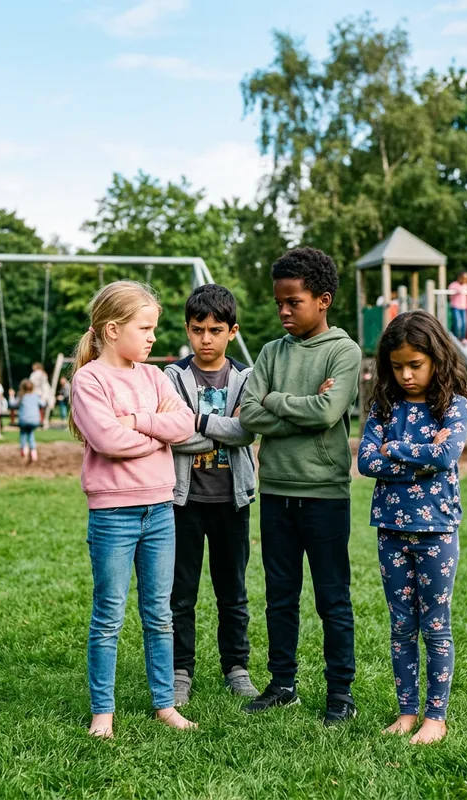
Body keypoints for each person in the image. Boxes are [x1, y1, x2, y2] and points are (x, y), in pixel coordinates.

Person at [239, 247, 362, 726]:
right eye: (279, 303)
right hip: (274, 493)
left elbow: (328, 414)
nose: (284, 311)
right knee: (280, 594)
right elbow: (249, 415)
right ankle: (282, 683)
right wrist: (299, 407)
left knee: (333, 597)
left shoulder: (343, 351)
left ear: (323, 300)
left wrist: (275, 402)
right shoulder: (271, 352)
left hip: (325, 495)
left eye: (294, 302)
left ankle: (341, 694)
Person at [70, 280, 197, 738]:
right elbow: (107, 440)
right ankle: (102, 710)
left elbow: (183, 424)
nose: (152, 337)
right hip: (113, 517)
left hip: (160, 512)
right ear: (111, 329)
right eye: (144, 327)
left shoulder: (154, 377)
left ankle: (164, 704)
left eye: (154, 328)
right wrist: (154, 435)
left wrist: (138, 422)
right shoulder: (89, 380)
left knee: (159, 614)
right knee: (109, 615)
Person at [357, 310, 467, 745]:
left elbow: (447, 457)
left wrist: (395, 450)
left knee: (435, 626)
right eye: (397, 365)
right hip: (390, 530)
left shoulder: (454, 404)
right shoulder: (384, 406)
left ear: (436, 359)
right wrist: (420, 455)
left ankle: (435, 717)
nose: (405, 374)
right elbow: (367, 462)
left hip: (438, 531)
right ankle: (407, 712)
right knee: (401, 625)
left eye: (415, 365)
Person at [164, 284, 258, 707]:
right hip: (183, 501)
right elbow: (171, 435)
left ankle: (236, 667)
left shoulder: (246, 379)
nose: (206, 339)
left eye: (215, 330)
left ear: (232, 332)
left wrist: (197, 422)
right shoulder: (171, 377)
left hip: (232, 501)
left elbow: (247, 431)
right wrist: (220, 430)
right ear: (187, 329)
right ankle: (180, 671)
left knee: (232, 592)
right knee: (180, 593)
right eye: (198, 329)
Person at [11, 379, 47, 463]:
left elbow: (12, 404)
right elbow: (43, 404)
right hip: (35, 420)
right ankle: (33, 451)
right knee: (30, 433)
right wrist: (42, 397)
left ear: (22, 388)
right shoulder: (36, 396)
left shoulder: (21, 396)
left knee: (23, 432)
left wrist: (11, 396)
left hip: (24, 420)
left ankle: (24, 449)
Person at [448, 270, 467, 340]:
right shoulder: (453, 285)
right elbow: (450, 296)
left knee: (464, 323)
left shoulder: (466, 286)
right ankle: (455, 337)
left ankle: (462, 338)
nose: (466, 280)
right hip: (455, 306)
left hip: (463, 307)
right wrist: (456, 292)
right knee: (458, 323)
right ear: (459, 277)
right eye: (464, 278)